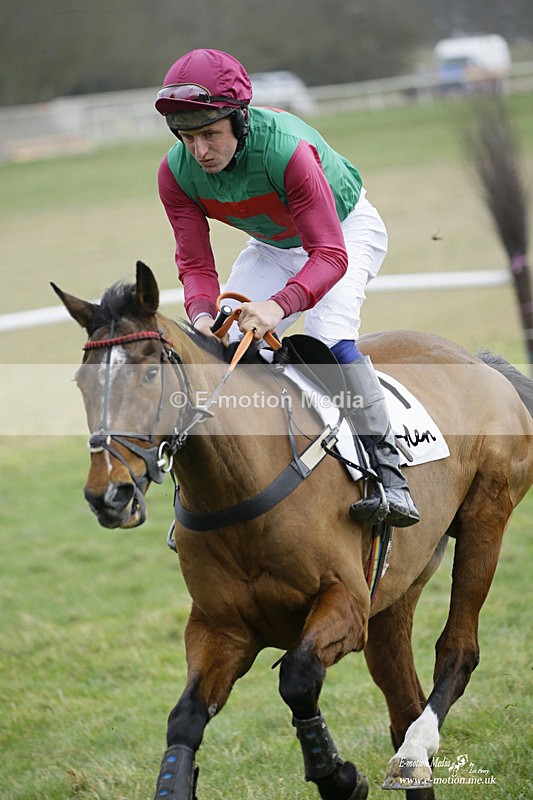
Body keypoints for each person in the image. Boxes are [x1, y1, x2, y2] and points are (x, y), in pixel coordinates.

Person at [155, 48, 419, 527]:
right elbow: (194, 262)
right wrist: (202, 315)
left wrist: (279, 306)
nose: (199, 151)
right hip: (273, 245)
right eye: (187, 137)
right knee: (224, 345)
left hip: (343, 233)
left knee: (326, 337)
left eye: (211, 134)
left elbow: (330, 255)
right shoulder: (175, 173)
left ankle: (389, 472)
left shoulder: (286, 150)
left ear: (240, 120)